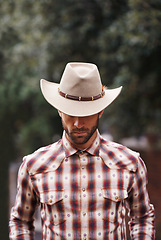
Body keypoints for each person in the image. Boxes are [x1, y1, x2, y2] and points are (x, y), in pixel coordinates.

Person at [9, 62, 155, 240]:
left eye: (86, 114)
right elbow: (21, 222)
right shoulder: (34, 166)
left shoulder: (129, 163)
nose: (78, 123)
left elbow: (142, 218)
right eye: (71, 113)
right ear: (59, 110)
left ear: (100, 111)